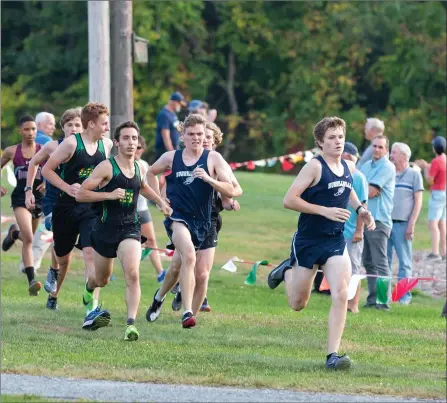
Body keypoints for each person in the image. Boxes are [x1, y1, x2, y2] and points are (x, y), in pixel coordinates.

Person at [267, 117, 375, 370]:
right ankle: (286, 271)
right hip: (308, 240)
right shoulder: (313, 167)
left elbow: (347, 190)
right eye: (331, 138)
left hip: (335, 241)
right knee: (298, 304)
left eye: (340, 137)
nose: (338, 142)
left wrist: (361, 209)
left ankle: (332, 357)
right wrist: (324, 211)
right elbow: (289, 200)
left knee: (341, 293)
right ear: (319, 142)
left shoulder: (348, 166)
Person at [76, 121, 172, 339]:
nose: (131, 143)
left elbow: (144, 187)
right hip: (104, 230)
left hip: (130, 227)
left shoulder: (140, 167)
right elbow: (81, 194)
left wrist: (161, 203)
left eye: (134, 138)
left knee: (132, 273)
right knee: (102, 280)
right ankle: (89, 289)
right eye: (126, 138)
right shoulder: (106, 167)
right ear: (117, 142)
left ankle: (130, 324)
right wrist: (108, 195)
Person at [145, 113, 238, 328]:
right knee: (188, 256)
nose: (196, 138)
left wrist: (208, 178)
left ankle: (159, 298)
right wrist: (160, 200)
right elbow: (150, 173)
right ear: (183, 136)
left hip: (205, 221)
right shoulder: (171, 157)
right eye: (191, 134)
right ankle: (187, 312)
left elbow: (230, 189)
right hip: (178, 217)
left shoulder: (213, 159)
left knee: (177, 266)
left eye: (200, 134)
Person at [42, 102, 113, 316]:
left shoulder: (107, 145)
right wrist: (67, 187)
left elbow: (106, 175)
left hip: (91, 207)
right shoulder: (71, 144)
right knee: (63, 258)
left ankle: (91, 308)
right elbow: (47, 170)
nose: (107, 128)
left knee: (91, 253)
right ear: (91, 124)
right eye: (104, 123)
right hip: (65, 207)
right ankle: (54, 273)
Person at [169, 121, 242, 313]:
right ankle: (180, 290)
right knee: (184, 261)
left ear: (214, 141)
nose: (204, 140)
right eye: (202, 136)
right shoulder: (186, 159)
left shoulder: (217, 161)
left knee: (201, 271)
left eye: (208, 137)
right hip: (186, 216)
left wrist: (228, 201)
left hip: (210, 217)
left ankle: (192, 308)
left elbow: (235, 189)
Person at [25, 107, 83, 310]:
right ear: (63, 128)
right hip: (53, 203)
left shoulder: (89, 150)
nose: (74, 129)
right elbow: (33, 163)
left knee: (65, 258)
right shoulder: (52, 147)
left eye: (78, 125)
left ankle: (54, 296)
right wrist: (29, 189)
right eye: (70, 125)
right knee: (57, 229)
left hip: (79, 205)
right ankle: (51, 269)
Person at [1, 115, 45, 295]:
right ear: (20, 131)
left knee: (30, 236)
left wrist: (47, 183)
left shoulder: (44, 150)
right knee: (28, 238)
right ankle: (32, 280)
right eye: (27, 129)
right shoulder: (12, 151)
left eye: (33, 129)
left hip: (39, 199)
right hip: (20, 197)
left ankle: (13, 233)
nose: (30, 133)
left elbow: (55, 168)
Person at [360, 135, 396, 311]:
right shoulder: (365, 166)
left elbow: (372, 191)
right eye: (374, 146)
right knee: (367, 261)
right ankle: (372, 299)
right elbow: (355, 184)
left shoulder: (388, 167)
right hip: (364, 220)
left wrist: (353, 195)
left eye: (381, 147)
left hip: (379, 221)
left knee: (380, 263)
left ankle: (383, 302)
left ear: (386, 150)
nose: (377, 149)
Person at [388, 143, 424, 305]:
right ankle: (384, 297)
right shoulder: (389, 172)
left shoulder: (414, 175)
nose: (391, 155)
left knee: (404, 263)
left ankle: (404, 298)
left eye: (394, 152)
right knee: (383, 262)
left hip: (403, 225)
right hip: (385, 224)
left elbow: (418, 202)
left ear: (404, 155)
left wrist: (411, 224)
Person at [341, 142, 369, 314]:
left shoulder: (358, 177)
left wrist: (359, 230)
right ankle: (343, 301)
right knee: (341, 269)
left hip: (352, 232)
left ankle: (354, 304)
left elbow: (363, 205)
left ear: (348, 156)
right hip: (339, 231)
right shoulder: (340, 174)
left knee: (353, 269)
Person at [136, 136, 166, 283]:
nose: (136, 150)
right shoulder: (119, 164)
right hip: (125, 210)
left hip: (142, 208)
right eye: (134, 147)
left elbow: (150, 187)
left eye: (139, 148)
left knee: (151, 241)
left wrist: (160, 201)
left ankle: (161, 273)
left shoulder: (145, 165)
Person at [415, 136, 446, 261]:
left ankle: (435, 253)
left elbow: (430, 179)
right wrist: (427, 166)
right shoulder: (444, 159)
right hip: (445, 193)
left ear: (435, 148)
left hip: (437, 194)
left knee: (433, 223)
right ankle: (444, 252)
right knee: (442, 224)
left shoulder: (435, 161)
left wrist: (425, 170)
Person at [154, 91, 186, 160]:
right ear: (174, 102)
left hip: (173, 151)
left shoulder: (172, 114)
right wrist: (171, 153)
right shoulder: (164, 114)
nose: (180, 106)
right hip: (165, 153)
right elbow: (166, 136)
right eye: (179, 104)